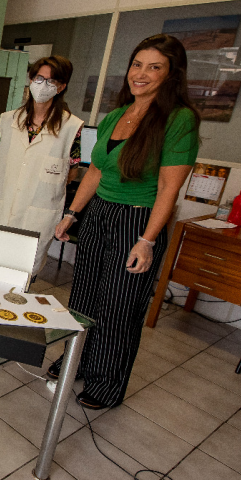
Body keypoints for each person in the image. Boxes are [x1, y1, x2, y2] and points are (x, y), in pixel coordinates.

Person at [51, 34, 200, 410]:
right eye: (137, 64)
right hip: (99, 213)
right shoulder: (117, 115)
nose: (142, 74)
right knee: (83, 297)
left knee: (118, 307)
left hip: (138, 220)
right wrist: (72, 214)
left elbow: (169, 188)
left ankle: (107, 381)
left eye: (155, 67)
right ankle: (79, 360)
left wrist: (148, 240)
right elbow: (95, 171)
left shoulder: (179, 119)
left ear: (171, 75)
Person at [0, 55, 84, 275]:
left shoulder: (71, 127)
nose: (43, 85)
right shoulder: (7, 121)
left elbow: (71, 173)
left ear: (61, 87)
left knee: (22, 277)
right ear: (30, 80)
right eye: (39, 78)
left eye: (51, 81)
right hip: (4, 207)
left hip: (37, 218)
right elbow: (3, 162)